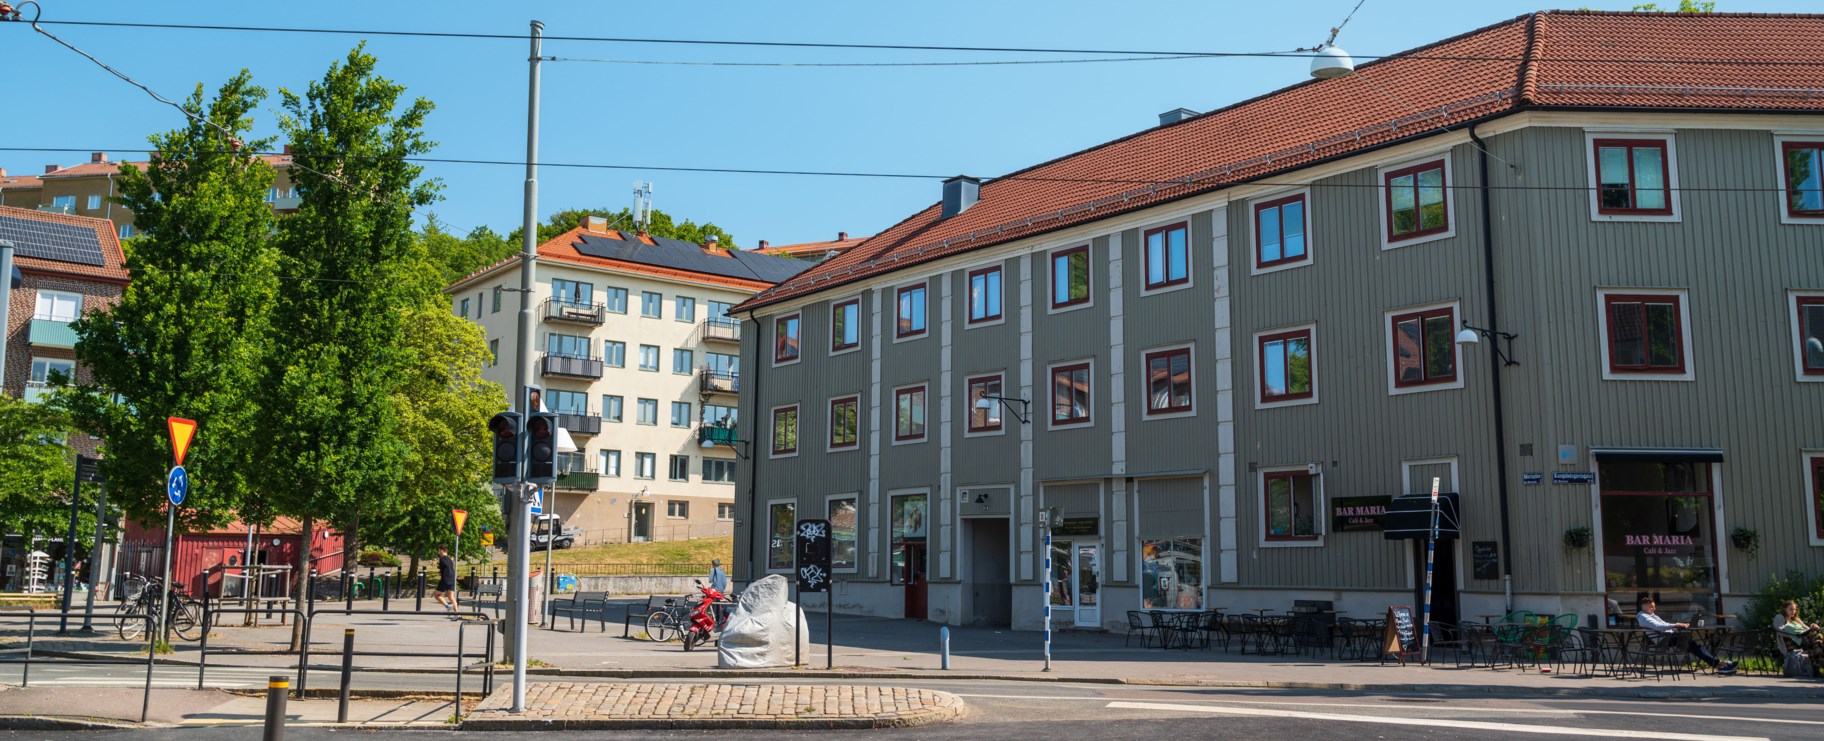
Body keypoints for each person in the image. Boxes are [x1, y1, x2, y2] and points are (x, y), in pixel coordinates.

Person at [1636, 597, 1734, 675]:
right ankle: (1719, 664)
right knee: (1691, 643)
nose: (1654, 609)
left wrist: (1680, 625)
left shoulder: (1652, 615)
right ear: (1644, 607)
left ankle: (1718, 664)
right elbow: (1657, 626)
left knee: (1692, 645)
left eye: (1654, 606)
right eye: (1651, 607)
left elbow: (1664, 624)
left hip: (1669, 637)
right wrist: (1676, 625)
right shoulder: (1643, 617)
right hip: (1662, 640)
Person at [1773, 600, 1822, 678]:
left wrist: (1812, 627)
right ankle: (1816, 669)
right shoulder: (1780, 617)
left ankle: (1815, 670)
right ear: (1785, 609)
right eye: (1790, 609)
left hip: (1804, 642)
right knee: (1818, 643)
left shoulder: (1796, 619)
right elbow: (1779, 631)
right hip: (1791, 643)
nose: (1793, 611)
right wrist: (1795, 635)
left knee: (1816, 645)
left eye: (1794, 609)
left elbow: (1806, 629)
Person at [433, 546, 459, 620]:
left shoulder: (442, 559)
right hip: (452, 579)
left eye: (439, 551)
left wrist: (441, 572)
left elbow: (445, 567)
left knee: (436, 595)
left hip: (445, 579)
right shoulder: (450, 559)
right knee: (451, 597)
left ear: (442, 550)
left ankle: (447, 606)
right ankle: (456, 614)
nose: (438, 552)